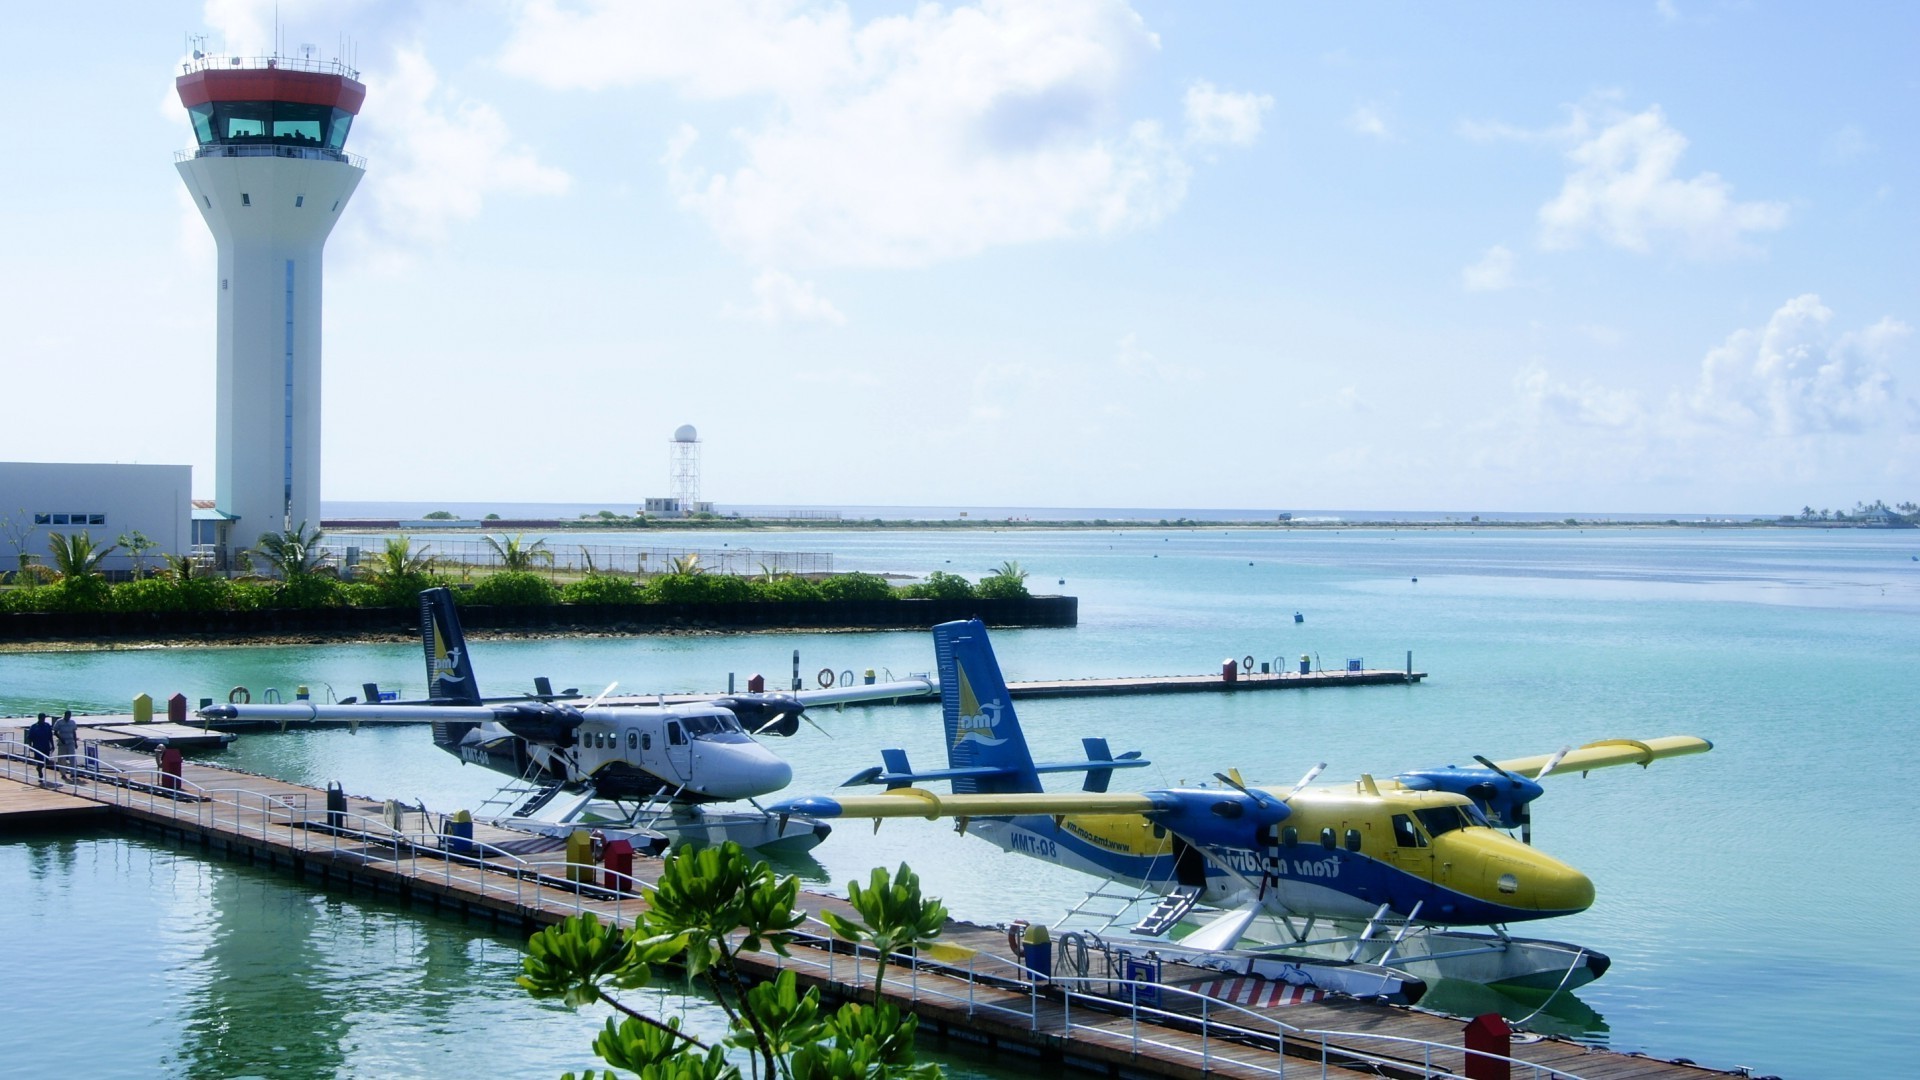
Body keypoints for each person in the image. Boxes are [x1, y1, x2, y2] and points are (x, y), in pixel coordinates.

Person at [25, 714, 55, 783]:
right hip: (37, 746)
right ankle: (40, 771)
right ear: (39, 718)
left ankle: (39, 768)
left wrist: (52, 745)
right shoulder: (34, 726)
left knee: (46, 760)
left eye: (44, 718)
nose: (43, 719)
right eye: (42, 718)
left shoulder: (47, 725)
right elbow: (30, 737)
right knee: (39, 760)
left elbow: (50, 736)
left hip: (46, 746)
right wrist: (30, 746)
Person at [52, 711, 77, 777]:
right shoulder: (59, 721)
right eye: (67, 716)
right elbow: (55, 732)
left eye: (69, 716)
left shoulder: (72, 722)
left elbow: (74, 732)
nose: (68, 717)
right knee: (62, 759)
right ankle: (63, 773)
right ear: (65, 715)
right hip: (62, 743)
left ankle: (73, 773)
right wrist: (61, 738)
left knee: (72, 758)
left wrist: (75, 742)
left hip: (70, 742)